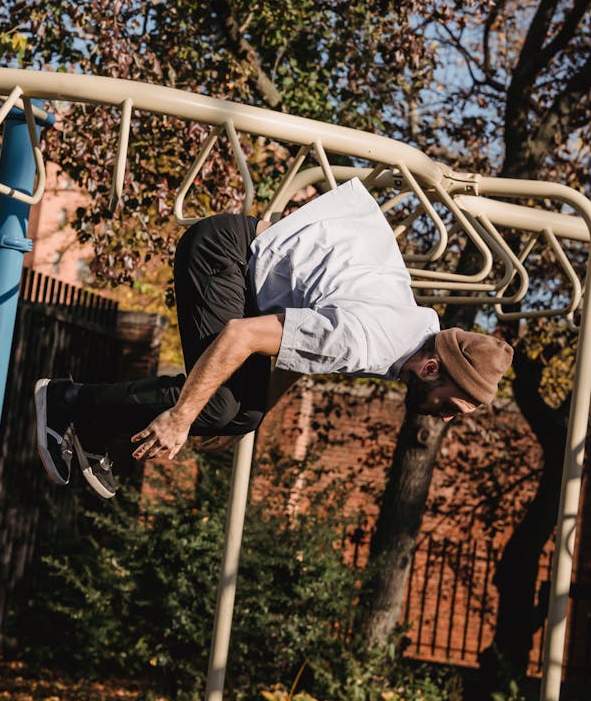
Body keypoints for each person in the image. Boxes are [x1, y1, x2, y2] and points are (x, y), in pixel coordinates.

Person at [34, 177, 513, 498]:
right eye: (451, 406)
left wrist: (243, 419)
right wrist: (183, 418)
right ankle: (66, 399)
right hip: (224, 257)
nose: (446, 418)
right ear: (432, 369)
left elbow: (300, 354)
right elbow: (241, 335)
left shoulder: (411, 327)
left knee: (243, 414)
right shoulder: (369, 340)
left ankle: (94, 424)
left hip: (248, 272)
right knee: (218, 407)